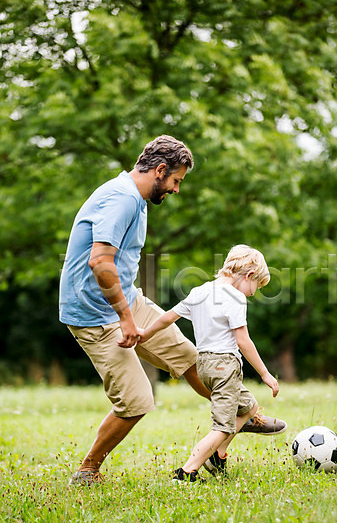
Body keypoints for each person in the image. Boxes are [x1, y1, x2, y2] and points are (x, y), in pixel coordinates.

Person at [59, 136, 284, 486]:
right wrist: (126, 318)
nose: (177, 189)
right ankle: (88, 469)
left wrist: (129, 309)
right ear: (160, 170)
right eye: (176, 180)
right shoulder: (121, 199)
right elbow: (100, 262)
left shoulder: (136, 199)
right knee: (136, 401)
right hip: (94, 316)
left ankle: (243, 412)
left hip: (124, 301)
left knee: (193, 358)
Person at [138, 244, 286, 482]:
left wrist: (145, 333)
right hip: (224, 366)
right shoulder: (235, 297)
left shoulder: (200, 291)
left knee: (249, 407)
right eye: (256, 286)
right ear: (248, 275)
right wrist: (265, 374)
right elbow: (243, 341)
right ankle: (187, 472)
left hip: (204, 364)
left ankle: (217, 454)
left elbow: (167, 317)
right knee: (223, 427)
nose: (253, 293)